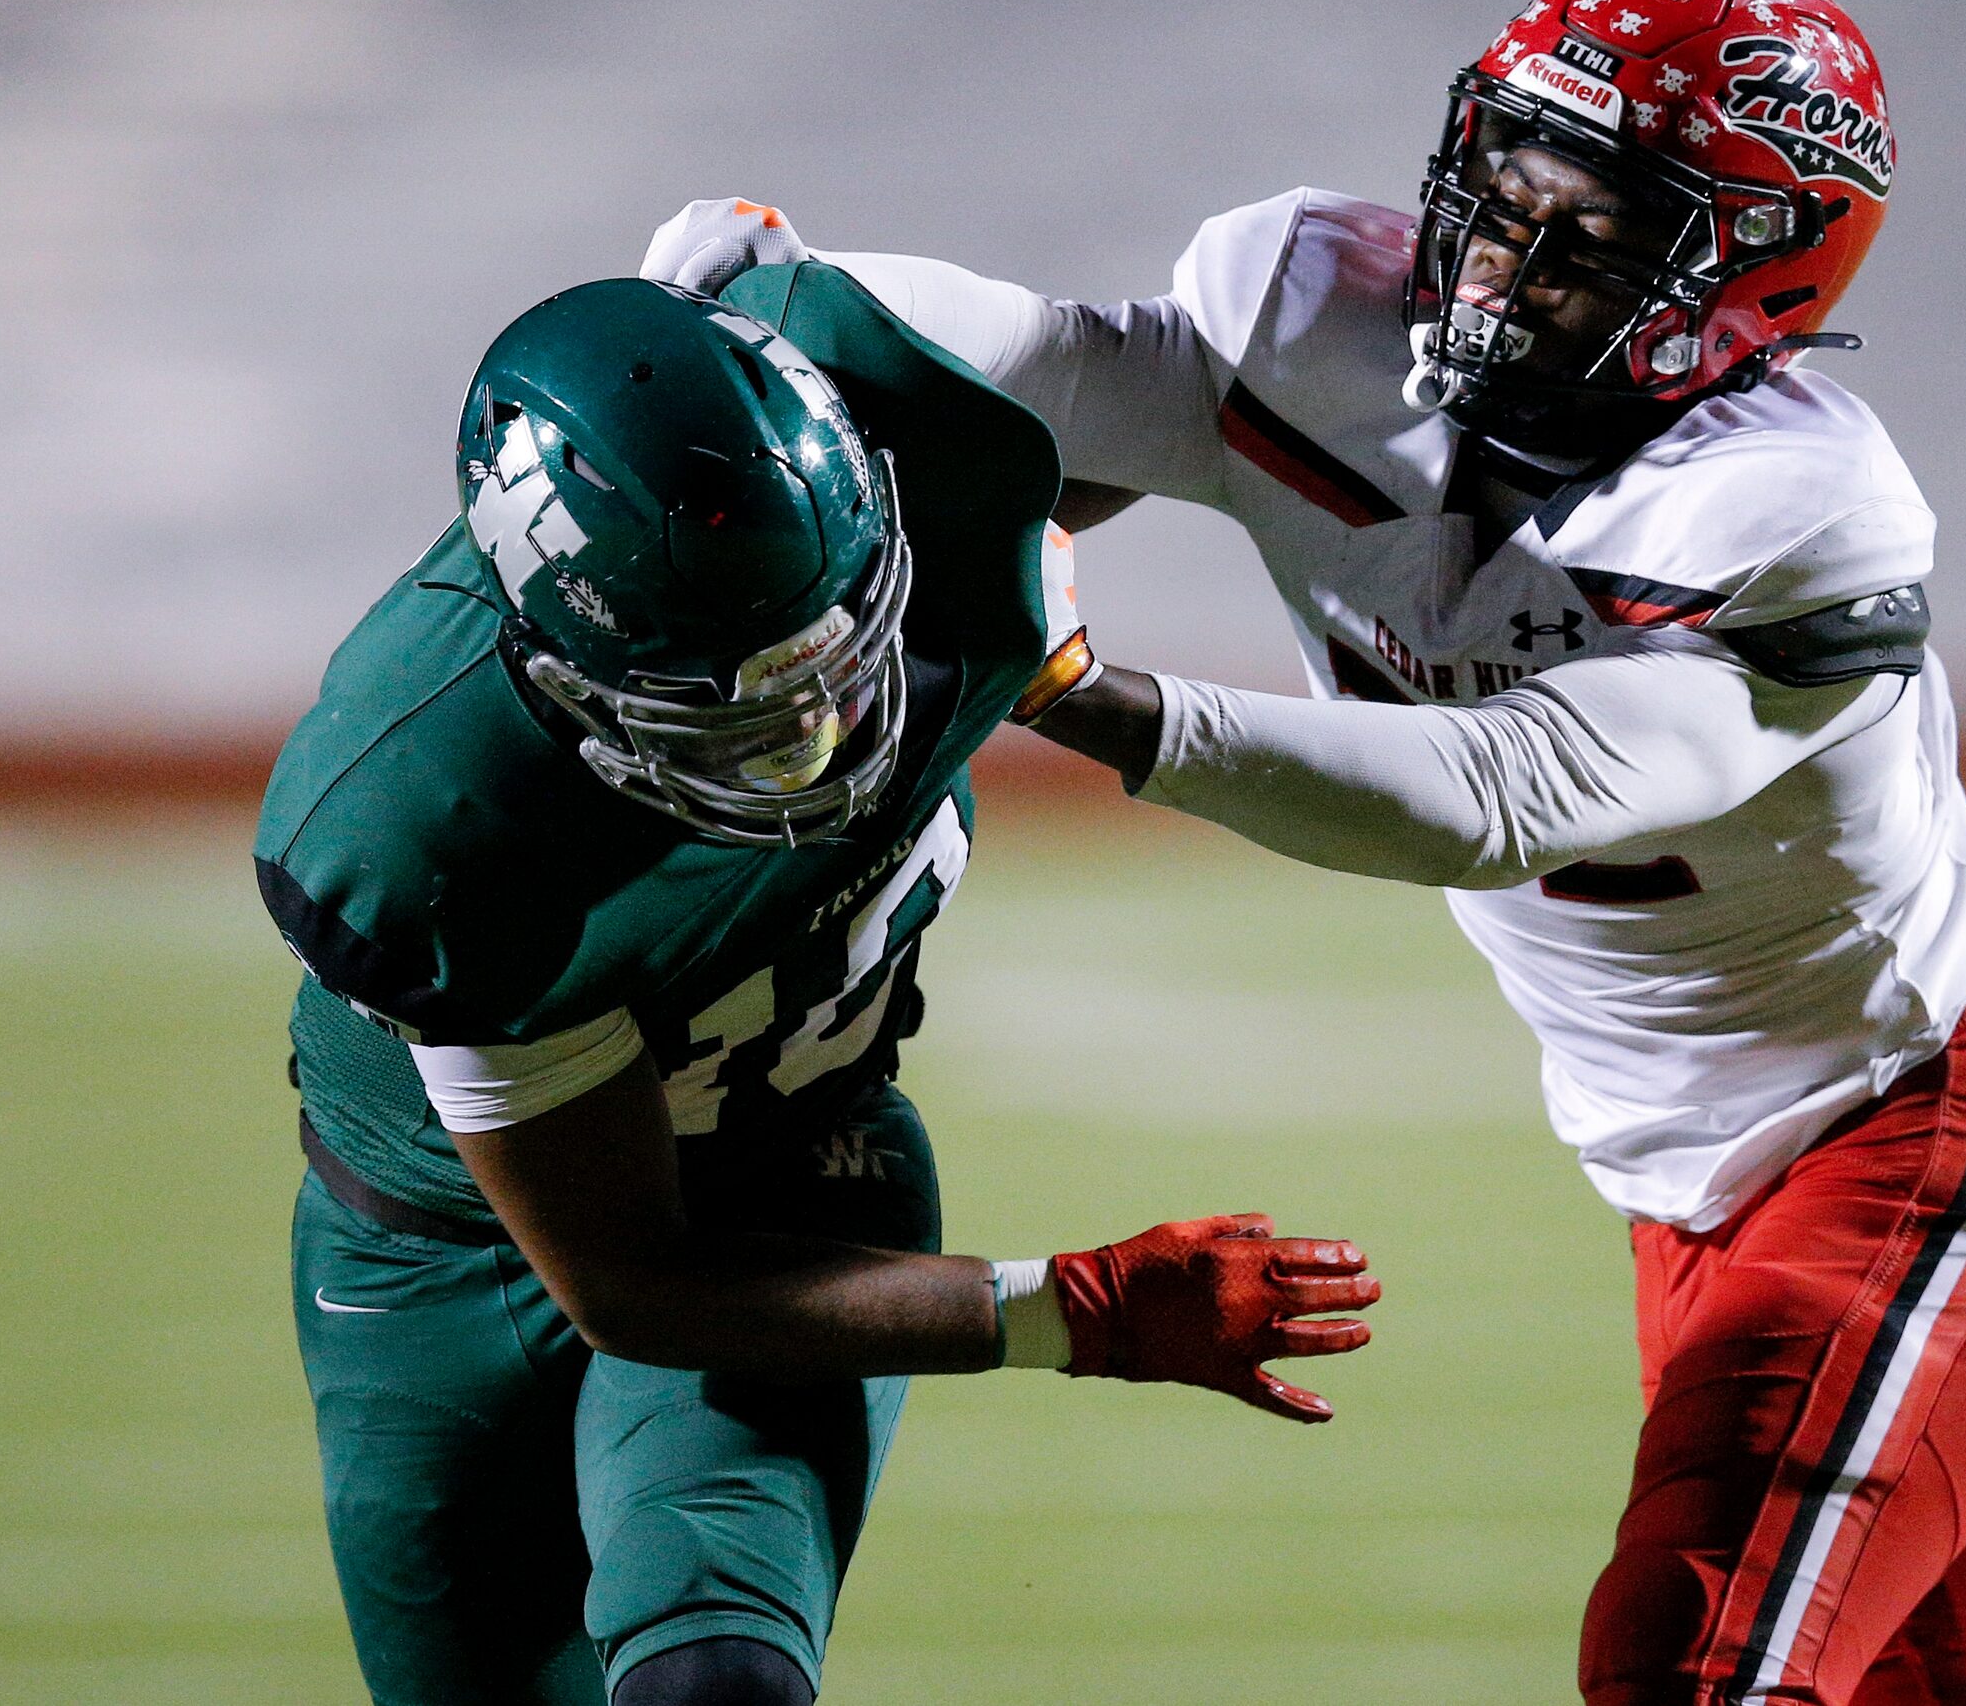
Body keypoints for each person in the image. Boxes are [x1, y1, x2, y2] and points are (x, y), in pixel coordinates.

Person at [644, 0, 1966, 1706]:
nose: (1508, 261)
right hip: (1694, 1179)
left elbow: (1502, 794)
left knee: (1689, 1661)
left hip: (1917, 1131)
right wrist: (809, 313)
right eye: (1502, 191)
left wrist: (1081, 692)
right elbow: (1054, 365)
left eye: (1590, 237)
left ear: (1751, 287)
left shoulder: (1791, 518)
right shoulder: (1319, 316)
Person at [254, 271, 1379, 1706]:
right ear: (570, 673)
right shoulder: (426, 822)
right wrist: (1073, 1307)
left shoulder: (933, 447)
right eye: (746, 705)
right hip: (445, 1243)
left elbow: (1227, 373)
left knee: (714, 1679)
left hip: (801, 1166)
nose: (828, 725)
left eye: (842, 648)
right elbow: (629, 1280)